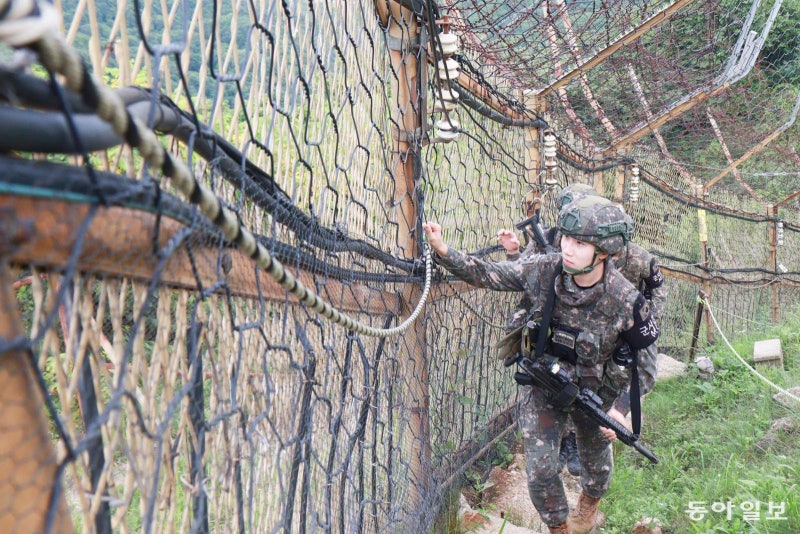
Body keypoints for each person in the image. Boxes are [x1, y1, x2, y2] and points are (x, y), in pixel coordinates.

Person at [423, 198, 660, 534]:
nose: (568, 249)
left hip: (596, 393)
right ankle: (559, 528)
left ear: (604, 252)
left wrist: (621, 411)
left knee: (596, 468)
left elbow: (646, 365)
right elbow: (489, 274)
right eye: (566, 238)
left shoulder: (626, 301)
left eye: (580, 244)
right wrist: (443, 250)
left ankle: (589, 504)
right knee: (541, 470)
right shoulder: (545, 270)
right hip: (545, 386)